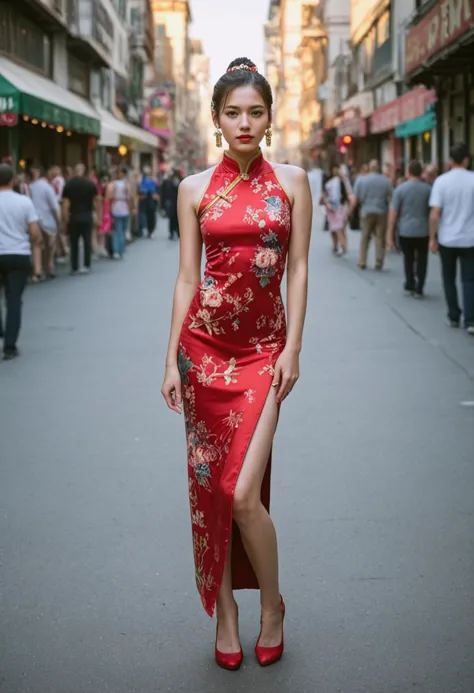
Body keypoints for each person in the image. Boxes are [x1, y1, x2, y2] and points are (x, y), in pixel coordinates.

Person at [161, 56, 312, 671]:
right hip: (203, 354)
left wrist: (294, 348)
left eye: (255, 111)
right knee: (211, 493)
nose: (244, 122)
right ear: (217, 119)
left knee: (242, 492)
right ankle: (225, 612)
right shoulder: (193, 189)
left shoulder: (293, 182)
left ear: (270, 117)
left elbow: (298, 269)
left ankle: (271, 606)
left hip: (262, 355)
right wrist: (171, 359)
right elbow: (185, 278)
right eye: (233, 113)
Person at [429, 143, 474, 335]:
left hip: (447, 238)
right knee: (469, 280)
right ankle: (471, 320)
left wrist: (432, 237)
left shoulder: (441, 181)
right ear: (466, 160)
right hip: (470, 238)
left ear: (450, 161)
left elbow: (435, 213)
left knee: (448, 278)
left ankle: (453, 315)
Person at [0, 163, 42, 360]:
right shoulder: (24, 202)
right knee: (14, 299)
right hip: (18, 253)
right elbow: (34, 233)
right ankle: (10, 345)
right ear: (12, 180)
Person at [386, 160, 431, 297]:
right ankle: (420, 286)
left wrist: (390, 235)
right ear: (421, 172)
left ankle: (410, 282)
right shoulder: (428, 189)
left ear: (408, 172)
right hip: (423, 230)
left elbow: (393, 213)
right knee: (422, 258)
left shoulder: (400, 189)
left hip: (405, 230)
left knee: (408, 258)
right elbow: (433, 211)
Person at [352, 159, 393, 270]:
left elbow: (356, 197)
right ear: (378, 168)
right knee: (380, 237)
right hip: (381, 211)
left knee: (365, 237)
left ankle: (362, 261)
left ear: (369, 168)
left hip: (366, 210)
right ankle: (379, 261)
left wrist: (351, 210)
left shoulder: (361, 180)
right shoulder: (386, 181)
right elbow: (391, 196)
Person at [62, 163, 98, 275]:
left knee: (74, 243)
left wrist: (65, 219)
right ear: (84, 171)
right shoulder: (90, 184)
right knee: (87, 241)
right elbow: (95, 201)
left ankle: (74, 266)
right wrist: (96, 214)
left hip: (74, 216)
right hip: (87, 215)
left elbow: (65, 204)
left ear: (74, 171)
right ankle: (86, 264)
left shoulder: (69, 185)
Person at [30, 165, 60, 279]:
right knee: (50, 244)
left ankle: (38, 269)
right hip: (47, 219)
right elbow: (54, 206)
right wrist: (58, 220)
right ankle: (49, 266)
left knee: (37, 245)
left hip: (34, 219)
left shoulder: (31, 187)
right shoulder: (47, 187)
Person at [321, 162, 349, 255]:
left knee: (339, 227)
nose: (336, 171)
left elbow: (346, 194)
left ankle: (343, 246)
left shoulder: (342, 181)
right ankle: (335, 245)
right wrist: (327, 203)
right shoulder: (328, 180)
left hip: (340, 207)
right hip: (330, 207)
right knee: (333, 228)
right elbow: (324, 194)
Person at [107, 166, 131, 259]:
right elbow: (129, 196)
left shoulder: (113, 184)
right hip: (122, 206)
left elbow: (109, 196)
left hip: (117, 206)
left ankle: (117, 250)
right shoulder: (125, 184)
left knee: (118, 230)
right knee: (121, 231)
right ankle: (120, 250)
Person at [138, 166, 159, 238]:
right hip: (144, 199)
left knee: (150, 215)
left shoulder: (153, 180)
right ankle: (145, 229)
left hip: (150, 199)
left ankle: (150, 230)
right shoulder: (142, 179)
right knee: (144, 215)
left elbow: (155, 190)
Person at [161, 170, 180, 240]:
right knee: (172, 218)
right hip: (171, 203)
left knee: (176, 219)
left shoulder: (178, 182)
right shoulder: (166, 182)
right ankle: (172, 232)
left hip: (175, 203)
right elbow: (163, 194)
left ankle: (176, 232)